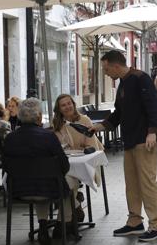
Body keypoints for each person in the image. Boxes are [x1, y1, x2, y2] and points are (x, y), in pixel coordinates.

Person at [91, 50, 157, 242]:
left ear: (115, 65)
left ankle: (156, 225)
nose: (105, 73)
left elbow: (155, 106)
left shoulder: (141, 79)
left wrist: (153, 132)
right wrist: (100, 126)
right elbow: (119, 113)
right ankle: (135, 222)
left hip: (144, 141)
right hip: (130, 141)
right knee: (132, 184)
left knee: (147, 183)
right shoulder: (123, 83)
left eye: (106, 68)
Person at [3, 98, 70, 245]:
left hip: (18, 190)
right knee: (57, 185)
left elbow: (6, 166)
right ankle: (60, 226)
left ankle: (43, 227)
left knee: (41, 183)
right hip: (49, 189)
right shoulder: (49, 137)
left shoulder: (10, 138)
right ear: (39, 116)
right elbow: (64, 166)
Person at [52, 94, 104, 222]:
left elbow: (90, 146)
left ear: (73, 104)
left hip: (86, 162)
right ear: (59, 109)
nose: (67, 107)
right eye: (63, 105)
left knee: (67, 179)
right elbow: (57, 145)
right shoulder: (57, 124)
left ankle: (63, 222)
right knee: (62, 179)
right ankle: (75, 205)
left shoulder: (84, 120)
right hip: (66, 161)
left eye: (69, 103)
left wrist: (76, 148)